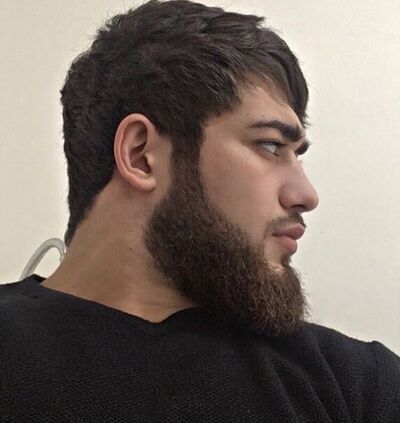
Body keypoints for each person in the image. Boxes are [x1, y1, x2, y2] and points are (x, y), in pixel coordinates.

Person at [1, 0, 399, 421]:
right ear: (140, 155)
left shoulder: (356, 385)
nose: (306, 194)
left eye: (297, 155)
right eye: (270, 145)